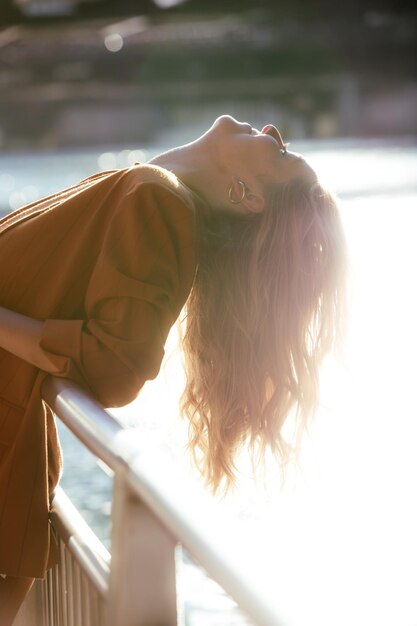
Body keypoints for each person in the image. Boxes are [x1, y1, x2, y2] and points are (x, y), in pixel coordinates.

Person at [0, 115, 347, 622]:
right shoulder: (147, 187)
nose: (273, 130)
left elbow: (116, 366)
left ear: (245, 193)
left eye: (283, 152)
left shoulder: (160, 201)